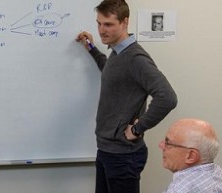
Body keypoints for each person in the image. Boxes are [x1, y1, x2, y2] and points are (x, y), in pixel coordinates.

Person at [75, 0, 177, 192]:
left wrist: (138, 128)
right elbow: (110, 71)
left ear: (125, 22)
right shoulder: (117, 53)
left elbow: (167, 97)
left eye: (108, 24)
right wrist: (91, 48)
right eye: (99, 23)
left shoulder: (136, 58)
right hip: (106, 150)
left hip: (123, 156)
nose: (102, 30)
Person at [159, 118, 222, 193]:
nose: (161, 145)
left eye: (168, 143)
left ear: (191, 156)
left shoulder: (180, 189)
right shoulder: (220, 175)